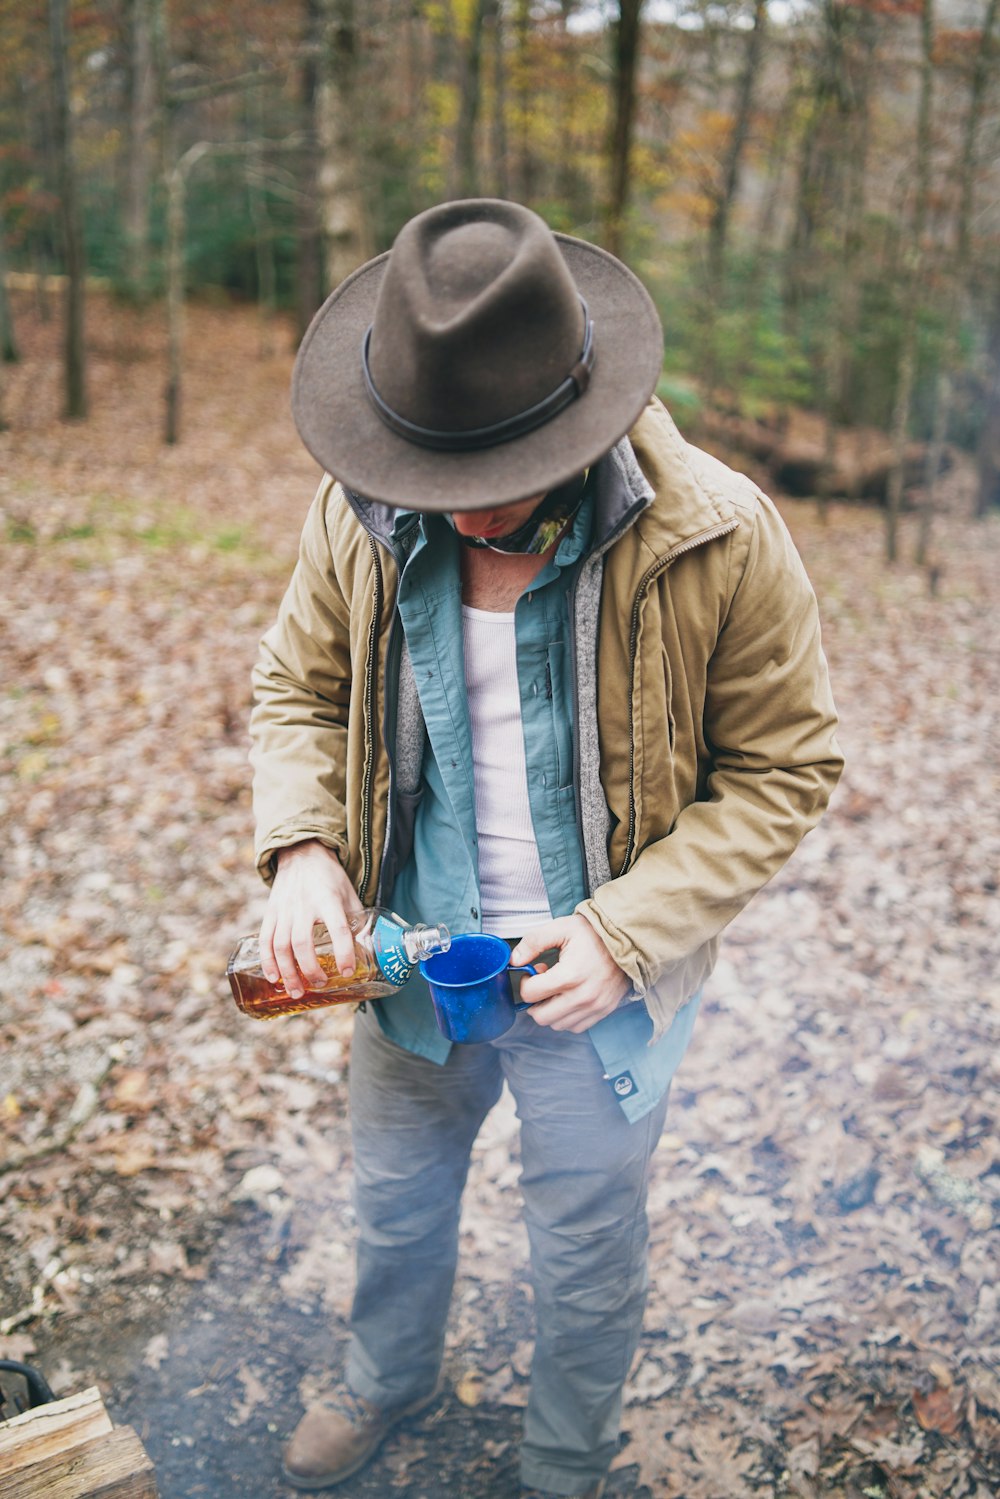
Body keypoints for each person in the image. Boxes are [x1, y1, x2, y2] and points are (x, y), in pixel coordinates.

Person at [247, 198, 843, 1498]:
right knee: (396, 1199)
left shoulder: (720, 535)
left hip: (602, 978)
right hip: (409, 952)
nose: (450, 516)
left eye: (484, 486)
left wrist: (630, 934)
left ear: (578, 426)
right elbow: (298, 690)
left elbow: (789, 767)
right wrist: (303, 849)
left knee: (584, 1243)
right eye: (428, 481)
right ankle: (385, 1379)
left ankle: (564, 1461)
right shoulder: (359, 509)